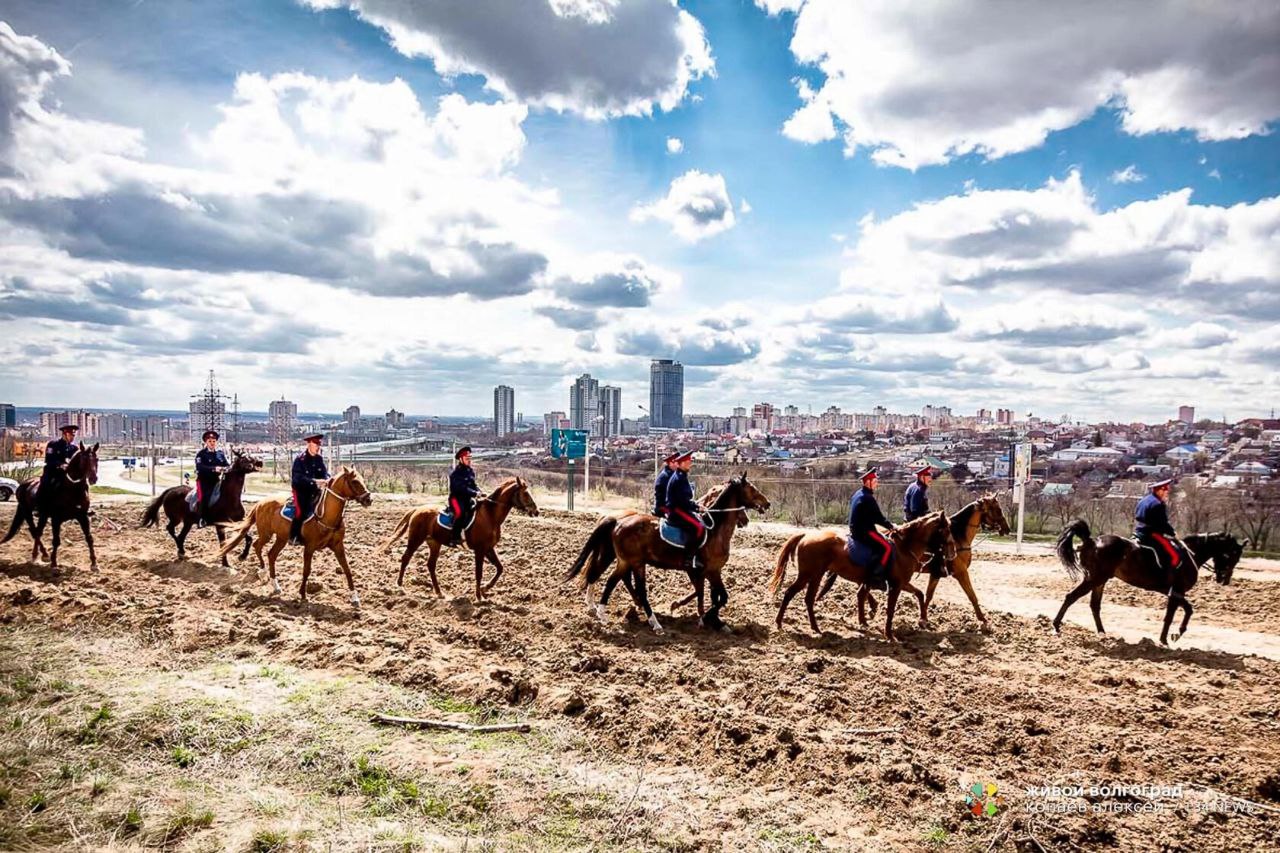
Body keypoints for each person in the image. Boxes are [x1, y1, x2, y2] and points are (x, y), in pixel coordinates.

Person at [848, 468, 896, 587]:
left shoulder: (858, 494)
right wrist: (891, 526)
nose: (876, 483)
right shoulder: (868, 498)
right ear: (867, 482)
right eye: (874, 481)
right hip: (864, 531)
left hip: (855, 529)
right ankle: (876, 575)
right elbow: (878, 517)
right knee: (887, 547)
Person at [1134, 478, 1184, 591]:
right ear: (1160, 490)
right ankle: (1165, 579)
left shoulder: (1144, 500)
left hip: (1139, 531)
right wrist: (1173, 533)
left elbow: (1137, 516)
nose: (1167, 493)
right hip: (1152, 534)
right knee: (1175, 555)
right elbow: (1162, 524)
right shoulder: (1158, 504)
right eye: (1165, 490)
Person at [664, 451, 705, 569]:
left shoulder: (681, 475)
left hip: (680, 507)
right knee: (698, 527)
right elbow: (682, 501)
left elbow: (685, 499)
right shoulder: (679, 478)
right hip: (676, 510)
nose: (690, 464)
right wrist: (697, 507)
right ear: (681, 464)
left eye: (690, 461)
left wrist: (695, 505)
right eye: (688, 462)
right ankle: (689, 559)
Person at [289, 433, 329, 545]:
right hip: (301, 491)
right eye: (316, 444)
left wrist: (327, 480)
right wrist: (315, 481)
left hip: (315, 490)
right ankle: (294, 536)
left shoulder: (319, 459)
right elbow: (298, 478)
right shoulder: (300, 460)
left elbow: (324, 473)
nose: (318, 447)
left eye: (319, 444)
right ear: (309, 444)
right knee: (300, 511)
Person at [38, 424, 79, 516]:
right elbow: (49, 460)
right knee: (46, 484)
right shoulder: (53, 445)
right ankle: (40, 507)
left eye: (74, 435)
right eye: (71, 435)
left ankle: (82, 506)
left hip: (68, 473)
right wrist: (60, 465)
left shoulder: (74, 448)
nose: (73, 437)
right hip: (53, 471)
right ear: (64, 434)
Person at [194, 429, 229, 527]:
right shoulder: (201, 454)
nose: (212, 443)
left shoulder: (220, 454)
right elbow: (200, 467)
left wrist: (225, 468)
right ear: (206, 442)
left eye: (214, 441)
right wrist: (214, 469)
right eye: (209, 441)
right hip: (204, 481)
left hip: (216, 480)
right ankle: (202, 518)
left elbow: (226, 464)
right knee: (204, 497)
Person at [447, 446, 481, 546]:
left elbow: (473, 485)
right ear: (461, 459)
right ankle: (454, 538)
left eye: (470, 458)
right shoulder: (456, 474)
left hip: (467, 499)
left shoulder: (470, 471)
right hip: (456, 499)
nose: (469, 461)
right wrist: (474, 493)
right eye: (467, 459)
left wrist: (479, 491)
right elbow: (460, 489)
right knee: (460, 513)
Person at [652, 451, 680, 517]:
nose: (678, 465)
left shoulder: (673, 475)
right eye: (676, 462)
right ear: (670, 463)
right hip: (664, 507)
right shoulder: (666, 477)